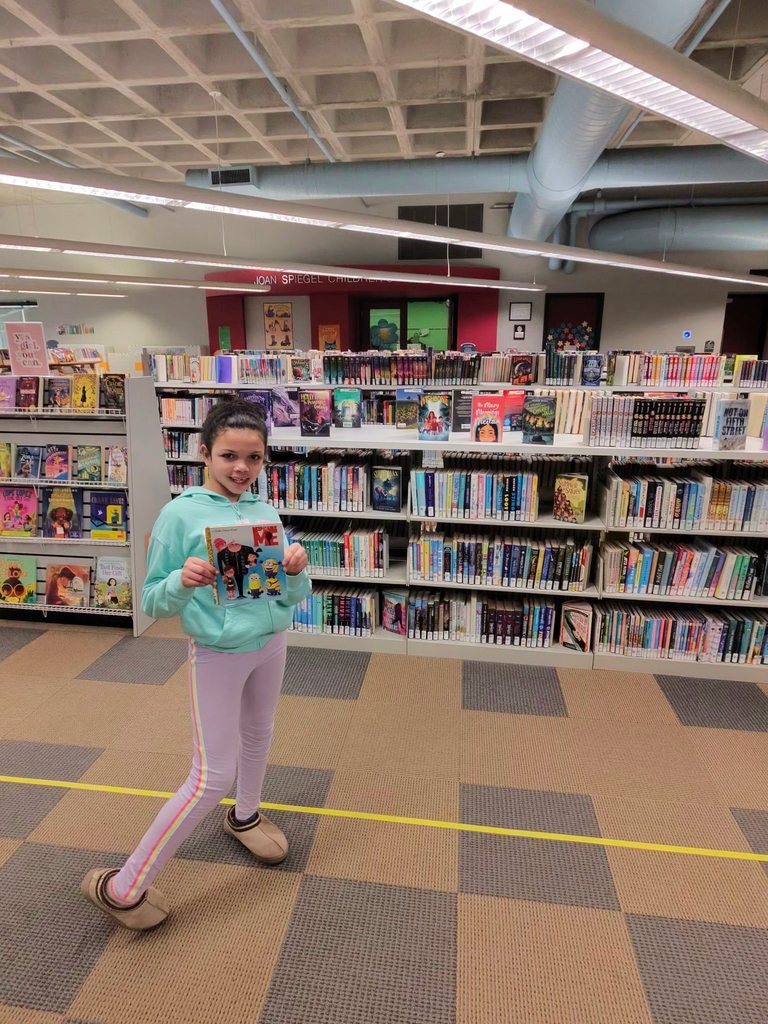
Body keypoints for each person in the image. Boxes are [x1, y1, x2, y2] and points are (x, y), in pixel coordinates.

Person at [81, 398, 310, 931]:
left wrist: (298, 569)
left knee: (260, 734)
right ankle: (123, 887)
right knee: (210, 776)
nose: (241, 469)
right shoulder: (179, 514)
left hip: (271, 643)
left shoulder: (263, 510)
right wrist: (181, 581)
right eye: (229, 455)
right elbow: (151, 602)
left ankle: (245, 816)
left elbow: (289, 594)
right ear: (203, 451)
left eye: (254, 459)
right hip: (218, 654)